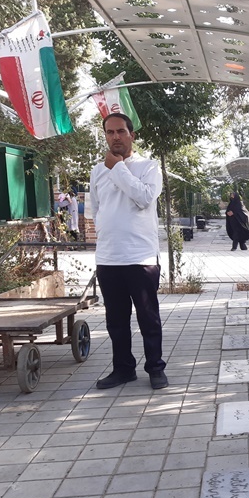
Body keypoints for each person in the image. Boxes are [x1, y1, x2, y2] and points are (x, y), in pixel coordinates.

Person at [86, 113, 168, 390]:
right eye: (110, 132)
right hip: (109, 258)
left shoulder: (149, 167)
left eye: (121, 131)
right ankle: (123, 369)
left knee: (148, 317)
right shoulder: (97, 171)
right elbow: (96, 211)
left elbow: (144, 198)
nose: (116, 137)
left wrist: (118, 168)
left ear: (132, 135)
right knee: (116, 320)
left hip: (140, 256)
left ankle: (155, 368)